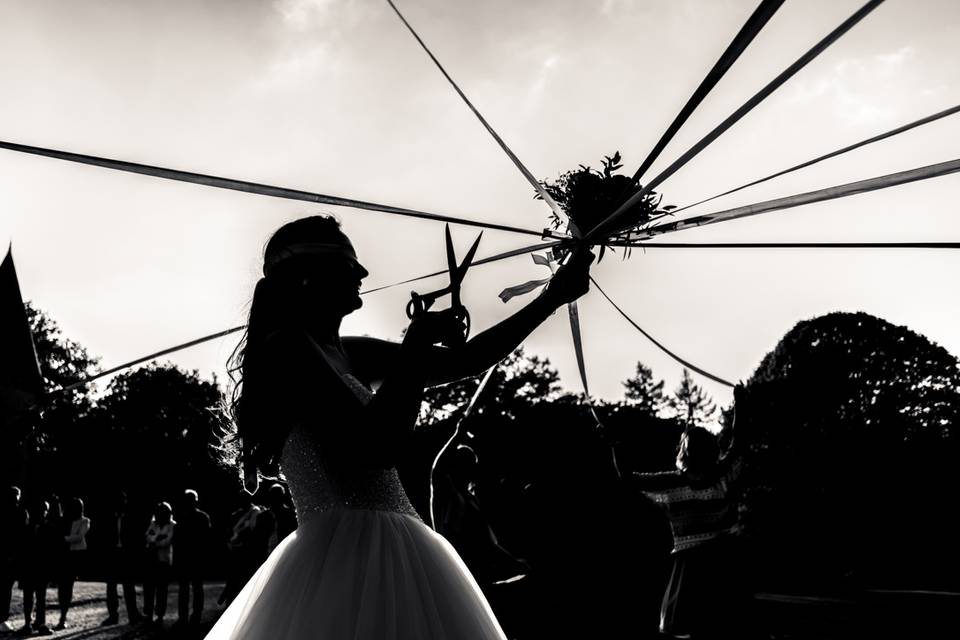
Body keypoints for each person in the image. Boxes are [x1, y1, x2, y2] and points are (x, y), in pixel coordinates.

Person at [206, 214, 592, 639]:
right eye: (349, 261)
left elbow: (465, 361)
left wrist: (552, 297)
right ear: (310, 275)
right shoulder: (289, 350)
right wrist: (415, 346)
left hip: (391, 546)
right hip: (347, 561)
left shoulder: (346, 352)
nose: (363, 272)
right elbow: (373, 445)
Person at [616, 385, 753, 639]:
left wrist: (614, 444)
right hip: (722, 564)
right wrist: (740, 405)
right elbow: (740, 442)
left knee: (692, 629)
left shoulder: (672, 482)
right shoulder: (720, 473)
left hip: (691, 567)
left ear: (684, 451)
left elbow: (627, 478)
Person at [101, 490, 144, 626]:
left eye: (123, 500)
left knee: (128, 586)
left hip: (126, 555)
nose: (121, 503)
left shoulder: (131, 518)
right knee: (111, 587)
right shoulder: (109, 519)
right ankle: (113, 616)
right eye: (119, 501)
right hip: (113, 555)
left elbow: (137, 538)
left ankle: (133, 615)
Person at [218, 492, 264, 607]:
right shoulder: (236, 515)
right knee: (233, 581)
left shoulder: (255, 512)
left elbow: (254, 531)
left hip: (247, 552)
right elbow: (229, 531)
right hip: (235, 551)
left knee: (245, 581)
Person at [18, 500, 56, 636]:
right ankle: (29, 623)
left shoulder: (49, 529)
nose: (43, 513)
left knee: (40, 598)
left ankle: (40, 624)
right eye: (41, 510)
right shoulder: (26, 528)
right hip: (29, 568)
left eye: (45, 510)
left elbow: (52, 553)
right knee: (29, 597)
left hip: (41, 569)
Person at [174, 489, 211, 627]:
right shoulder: (185, 517)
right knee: (187, 589)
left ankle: (194, 616)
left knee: (195, 588)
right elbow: (176, 540)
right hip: (187, 558)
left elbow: (206, 540)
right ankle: (186, 617)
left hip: (195, 558)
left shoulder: (201, 517)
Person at [55, 497, 90, 630]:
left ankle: (63, 617)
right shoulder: (64, 520)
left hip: (74, 557)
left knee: (67, 587)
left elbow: (79, 537)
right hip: (63, 556)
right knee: (62, 587)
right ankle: (62, 615)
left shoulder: (85, 521)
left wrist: (63, 539)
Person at [0, 486, 28, 633]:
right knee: (5, 590)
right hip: (11, 557)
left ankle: (3, 619)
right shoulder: (20, 513)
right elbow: (21, 536)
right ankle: (3, 620)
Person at [143, 501, 175, 625]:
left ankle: (160, 615)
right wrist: (158, 538)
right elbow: (146, 537)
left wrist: (153, 541)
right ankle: (148, 613)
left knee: (162, 590)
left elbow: (167, 541)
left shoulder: (172, 525)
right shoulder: (153, 524)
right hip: (151, 560)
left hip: (163, 561)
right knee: (149, 589)